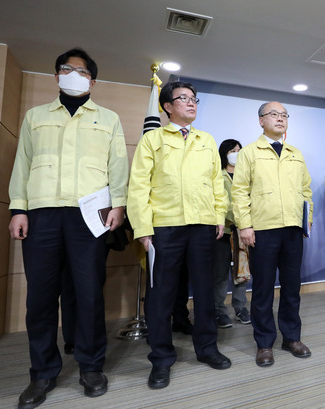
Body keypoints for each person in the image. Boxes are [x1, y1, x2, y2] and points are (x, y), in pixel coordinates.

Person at [8, 48, 128, 409]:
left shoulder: (108, 118)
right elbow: (22, 164)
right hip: (42, 213)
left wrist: (119, 205)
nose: (73, 74)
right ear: (56, 76)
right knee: (40, 299)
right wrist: (18, 209)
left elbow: (118, 164)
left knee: (90, 293)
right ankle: (42, 373)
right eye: (66, 69)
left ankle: (91, 367)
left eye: (81, 71)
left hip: (87, 217)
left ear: (93, 80)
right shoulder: (35, 117)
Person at [126, 81, 231, 390]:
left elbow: (216, 182)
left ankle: (207, 348)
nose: (191, 103)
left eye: (193, 98)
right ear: (167, 106)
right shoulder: (153, 139)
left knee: (204, 289)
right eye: (183, 98)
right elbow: (139, 186)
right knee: (160, 295)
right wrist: (143, 228)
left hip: (201, 225)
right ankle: (161, 358)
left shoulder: (206, 140)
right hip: (165, 227)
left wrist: (218, 216)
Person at [232, 101, 313, 367]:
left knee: (292, 288)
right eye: (274, 114)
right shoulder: (249, 153)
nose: (280, 119)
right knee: (264, 289)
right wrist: (244, 225)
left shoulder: (295, 153)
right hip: (263, 230)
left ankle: (291, 337)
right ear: (261, 120)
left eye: (284, 115)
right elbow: (240, 191)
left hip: (292, 229)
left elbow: (306, 191)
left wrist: (305, 222)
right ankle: (264, 343)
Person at [213, 139, 251, 328]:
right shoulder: (218, 175)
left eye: (239, 150)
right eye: (232, 150)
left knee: (241, 272)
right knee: (219, 274)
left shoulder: (246, 175)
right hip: (223, 232)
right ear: (224, 153)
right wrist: (238, 219)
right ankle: (219, 311)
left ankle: (240, 308)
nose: (236, 153)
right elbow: (219, 203)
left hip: (242, 232)